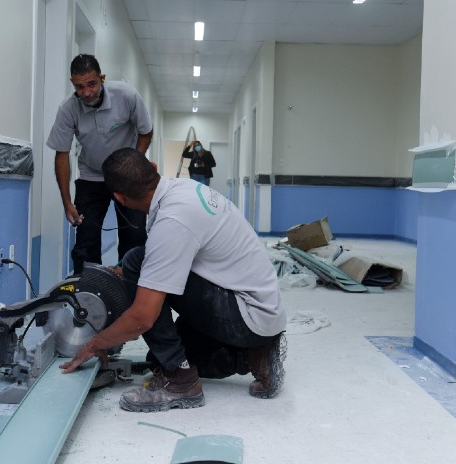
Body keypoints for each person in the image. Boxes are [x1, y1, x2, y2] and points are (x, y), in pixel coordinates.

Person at [61, 147, 287, 413]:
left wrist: (93, 343)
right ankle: (253, 354)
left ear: (119, 198)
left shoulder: (173, 220)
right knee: (157, 359)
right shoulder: (181, 189)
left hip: (248, 315)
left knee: (137, 261)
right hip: (260, 309)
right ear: (155, 168)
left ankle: (181, 382)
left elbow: (143, 318)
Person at [46, 54, 153, 275]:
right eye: (80, 86)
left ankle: (131, 289)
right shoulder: (68, 109)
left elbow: (145, 131)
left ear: (102, 78)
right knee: (86, 240)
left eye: (92, 84)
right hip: (91, 175)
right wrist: (67, 202)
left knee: (134, 235)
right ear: (72, 84)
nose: (86, 92)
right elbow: (62, 155)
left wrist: (134, 162)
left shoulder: (126, 95)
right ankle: (89, 294)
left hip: (126, 177)